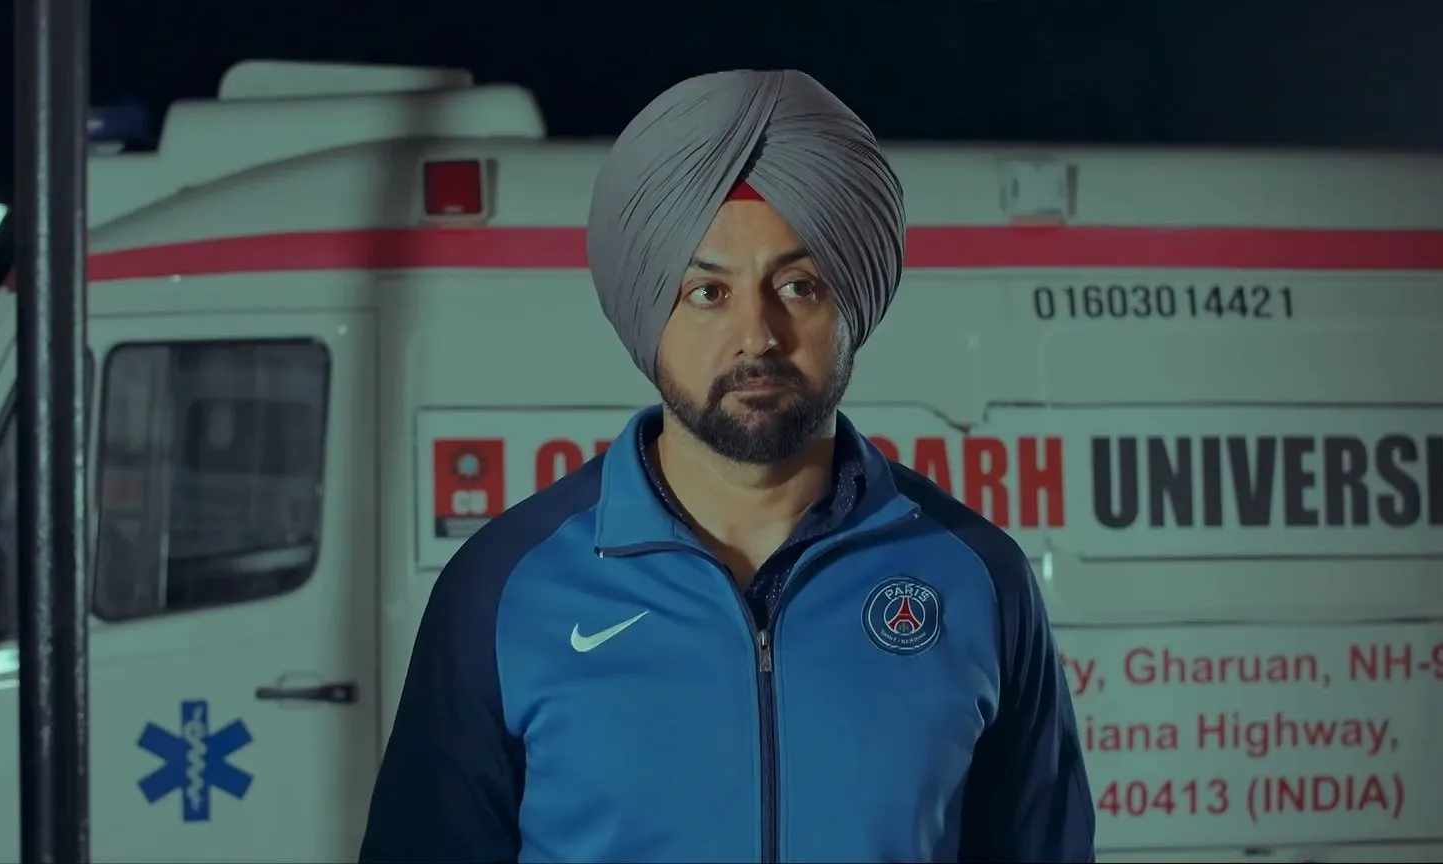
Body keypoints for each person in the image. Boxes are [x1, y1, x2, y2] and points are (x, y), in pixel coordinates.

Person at [359, 69, 1094, 864]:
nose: (757, 335)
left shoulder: (979, 577)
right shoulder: (505, 588)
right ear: (650, 310)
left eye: (799, 286)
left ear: (850, 307)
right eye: (708, 293)